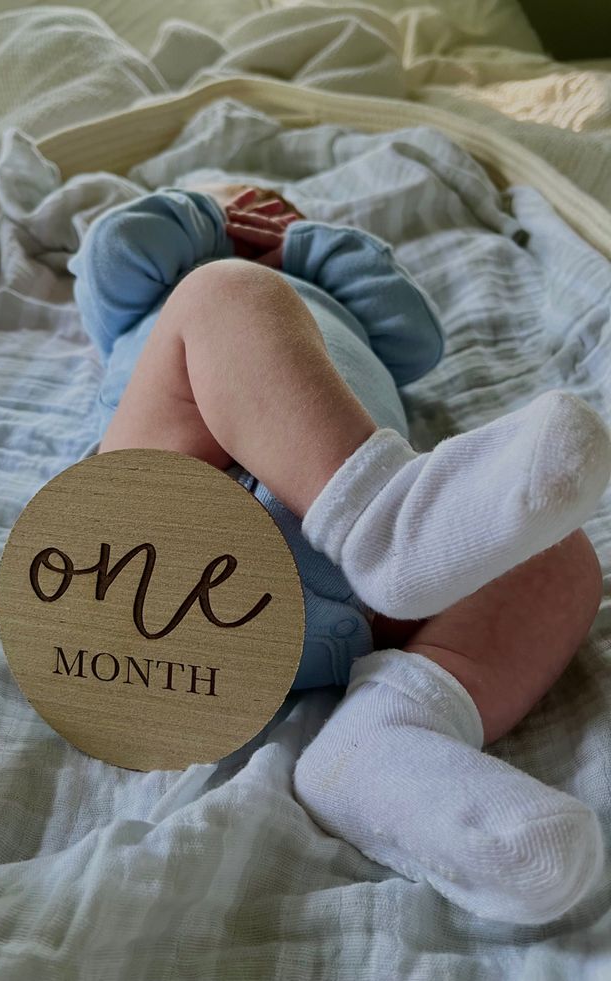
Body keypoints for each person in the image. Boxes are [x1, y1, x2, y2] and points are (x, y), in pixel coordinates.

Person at [67, 181, 611, 925]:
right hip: (152, 544)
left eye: (274, 201)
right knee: (220, 296)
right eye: (242, 195)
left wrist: (310, 244)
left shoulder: (328, 289)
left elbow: (416, 336)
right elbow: (118, 257)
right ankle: (384, 521)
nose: (262, 201)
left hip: (329, 603)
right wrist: (207, 217)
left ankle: (384, 742)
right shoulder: (168, 294)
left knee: (559, 558)